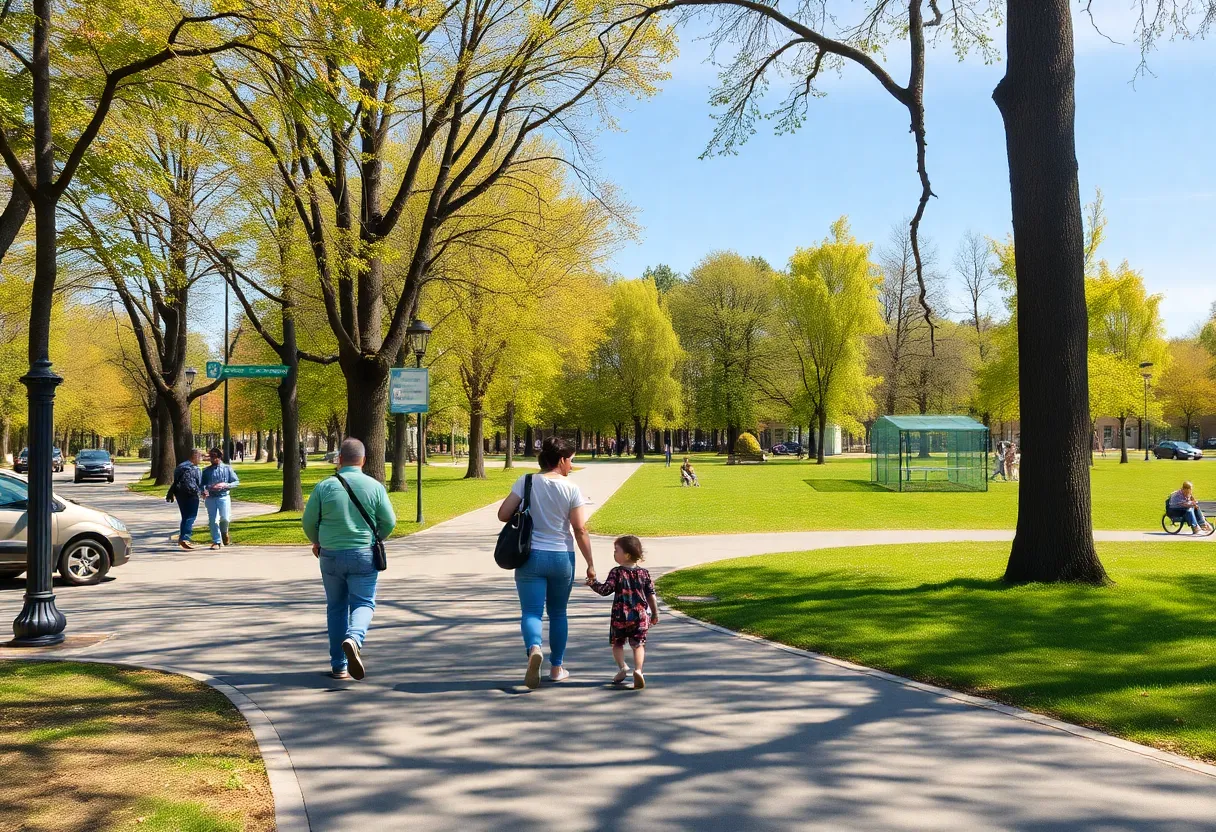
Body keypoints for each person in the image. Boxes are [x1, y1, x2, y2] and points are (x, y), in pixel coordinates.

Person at [496, 436, 596, 689]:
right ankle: (556, 667)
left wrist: (528, 509)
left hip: (529, 556)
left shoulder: (526, 481)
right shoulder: (572, 488)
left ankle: (534, 649)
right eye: (571, 460)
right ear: (561, 460)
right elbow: (580, 528)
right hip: (562, 556)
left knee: (531, 611)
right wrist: (590, 563)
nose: (571, 466)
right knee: (558, 613)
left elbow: (503, 514)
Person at [302, 438, 397, 680]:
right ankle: (354, 638)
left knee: (336, 607)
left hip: (330, 555)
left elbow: (308, 521)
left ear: (339, 459)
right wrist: (377, 537)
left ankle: (338, 665)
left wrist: (318, 541)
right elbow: (389, 521)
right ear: (363, 460)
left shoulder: (324, 487)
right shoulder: (374, 487)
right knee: (364, 603)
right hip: (363, 554)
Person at [587, 535, 659, 690]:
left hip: (620, 616)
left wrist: (592, 583)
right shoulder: (644, 573)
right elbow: (651, 594)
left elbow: (605, 590)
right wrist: (654, 613)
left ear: (626, 555)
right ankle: (638, 670)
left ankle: (622, 667)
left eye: (616, 550)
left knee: (617, 643)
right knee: (638, 644)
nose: (614, 553)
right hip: (640, 616)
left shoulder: (616, 572)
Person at [201, 447, 239, 550]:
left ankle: (224, 532)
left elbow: (236, 482)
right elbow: (201, 484)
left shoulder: (227, 469)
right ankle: (216, 541)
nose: (212, 459)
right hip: (211, 498)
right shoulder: (206, 471)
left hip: (224, 497)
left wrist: (225, 485)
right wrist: (204, 490)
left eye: (214, 457)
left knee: (225, 518)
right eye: (211, 457)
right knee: (213, 520)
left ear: (219, 457)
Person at [167, 449, 203, 550]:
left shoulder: (180, 467)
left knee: (185, 516)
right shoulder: (196, 469)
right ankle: (185, 538)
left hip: (179, 494)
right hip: (191, 494)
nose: (200, 459)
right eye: (199, 457)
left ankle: (182, 538)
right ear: (194, 456)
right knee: (191, 516)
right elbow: (199, 483)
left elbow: (175, 480)